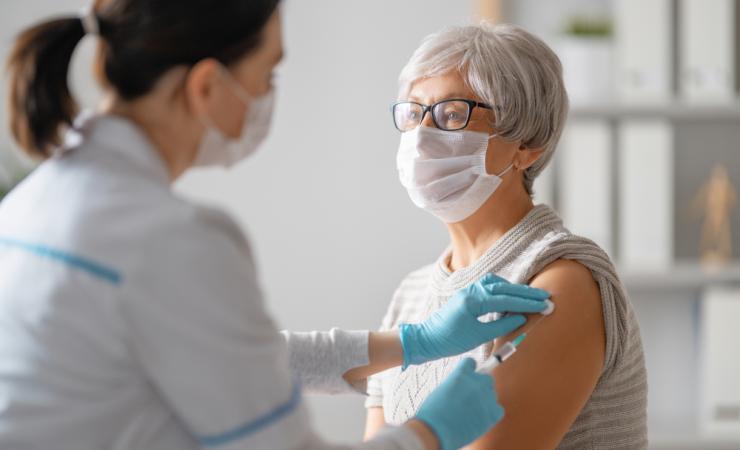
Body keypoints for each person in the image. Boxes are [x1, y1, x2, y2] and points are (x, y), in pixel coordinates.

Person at [0, 3, 552, 450]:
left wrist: (416, 343)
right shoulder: (172, 240)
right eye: (266, 75)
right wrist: (429, 434)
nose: (268, 98)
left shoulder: (32, 203)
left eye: (452, 113)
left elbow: (241, 355)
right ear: (207, 87)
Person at [364, 23, 648, 449]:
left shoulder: (559, 280)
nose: (422, 135)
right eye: (413, 112)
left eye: (452, 114)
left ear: (527, 144)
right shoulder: (410, 296)